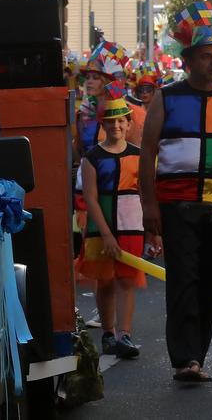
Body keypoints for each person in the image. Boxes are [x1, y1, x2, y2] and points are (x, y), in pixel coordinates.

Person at [139, 1, 212, 384]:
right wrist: (149, 206)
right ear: (188, 62)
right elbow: (148, 153)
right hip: (176, 205)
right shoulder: (166, 97)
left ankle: (196, 355)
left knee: (208, 283)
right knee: (183, 280)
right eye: (206, 57)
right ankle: (185, 359)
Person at [76, 96, 145, 358]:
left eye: (121, 121)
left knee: (127, 280)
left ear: (128, 124)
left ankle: (124, 335)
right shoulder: (91, 157)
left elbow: (146, 195)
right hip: (99, 228)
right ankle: (108, 333)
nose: (116, 125)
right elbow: (91, 198)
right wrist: (105, 234)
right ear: (103, 124)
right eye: (111, 121)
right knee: (104, 281)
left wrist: (153, 233)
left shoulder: (139, 156)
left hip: (132, 226)